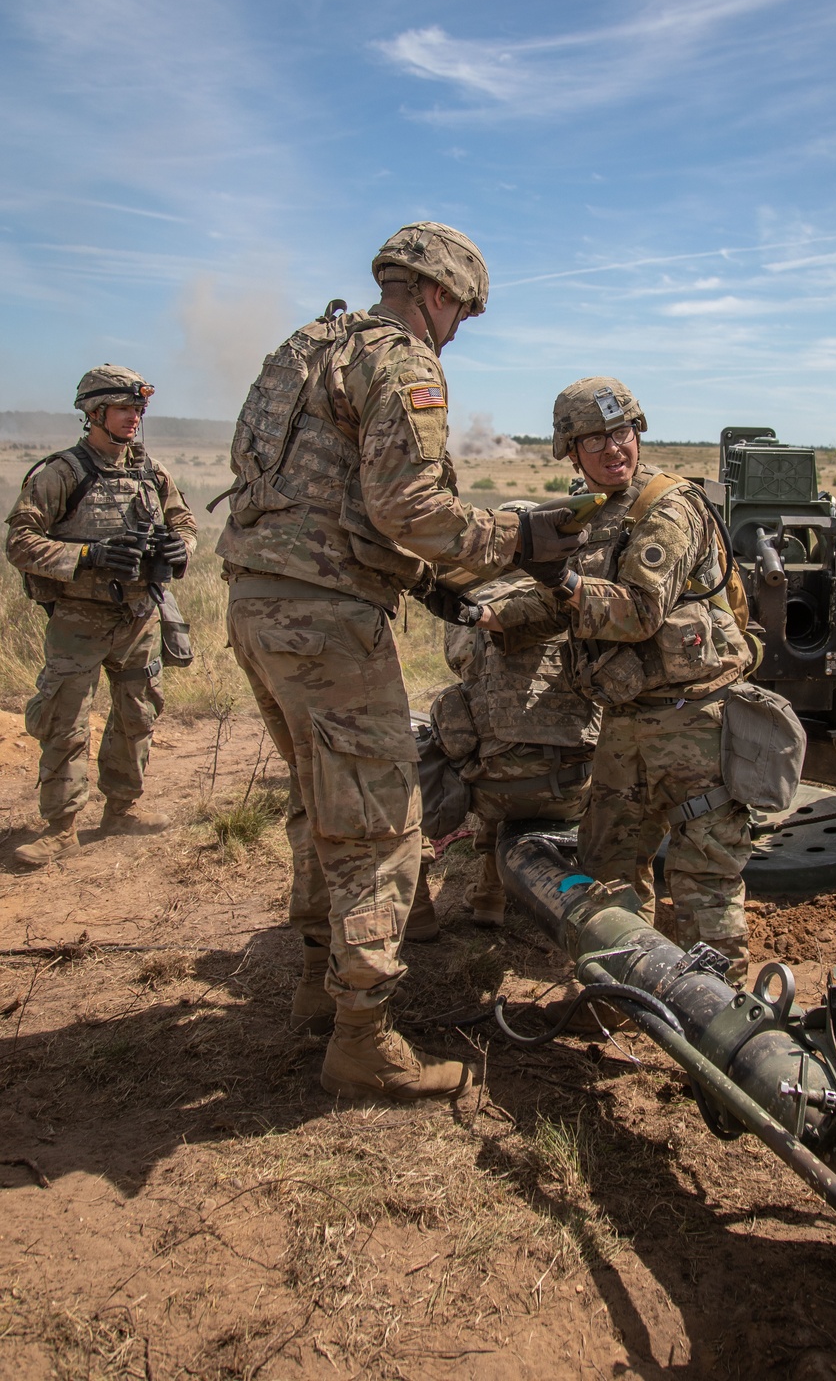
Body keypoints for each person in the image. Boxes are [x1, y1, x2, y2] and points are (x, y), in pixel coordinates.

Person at [215, 221, 585, 1102]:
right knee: (382, 827)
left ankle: (316, 984)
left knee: (320, 802)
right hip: (328, 625)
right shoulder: (406, 361)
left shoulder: (310, 346)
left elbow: (321, 495)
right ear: (438, 293)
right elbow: (410, 505)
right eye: (461, 312)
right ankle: (362, 1038)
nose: (457, 329)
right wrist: (516, 537)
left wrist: (428, 586)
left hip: (257, 601)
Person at [477, 377, 754, 982]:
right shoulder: (590, 510)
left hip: (693, 722)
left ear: (639, 432)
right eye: (593, 438)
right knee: (608, 872)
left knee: (704, 878)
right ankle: (626, 996)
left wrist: (563, 581)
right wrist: (494, 615)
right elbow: (565, 600)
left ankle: (729, 1030)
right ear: (570, 451)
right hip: (624, 722)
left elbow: (635, 611)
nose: (613, 448)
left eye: (622, 431)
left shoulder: (669, 507)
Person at [5, 365, 196, 867]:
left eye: (139, 410)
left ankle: (121, 809)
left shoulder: (150, 471)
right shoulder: (61, 473)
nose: (134, 419)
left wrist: (182, 548)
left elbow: (184, 521)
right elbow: (20, 543)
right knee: (65, 720)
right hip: (79, 619)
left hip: (139, 615)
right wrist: (87, 557)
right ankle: (60, 827)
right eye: (124, 409)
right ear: (94, 413)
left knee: (137, 714)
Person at [432, 552, 600, 931]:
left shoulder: (472, 609)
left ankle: (489, 896)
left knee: (491, 744)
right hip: (574, 789)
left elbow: (461, 667)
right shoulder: (579, 607)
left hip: (493, 792)